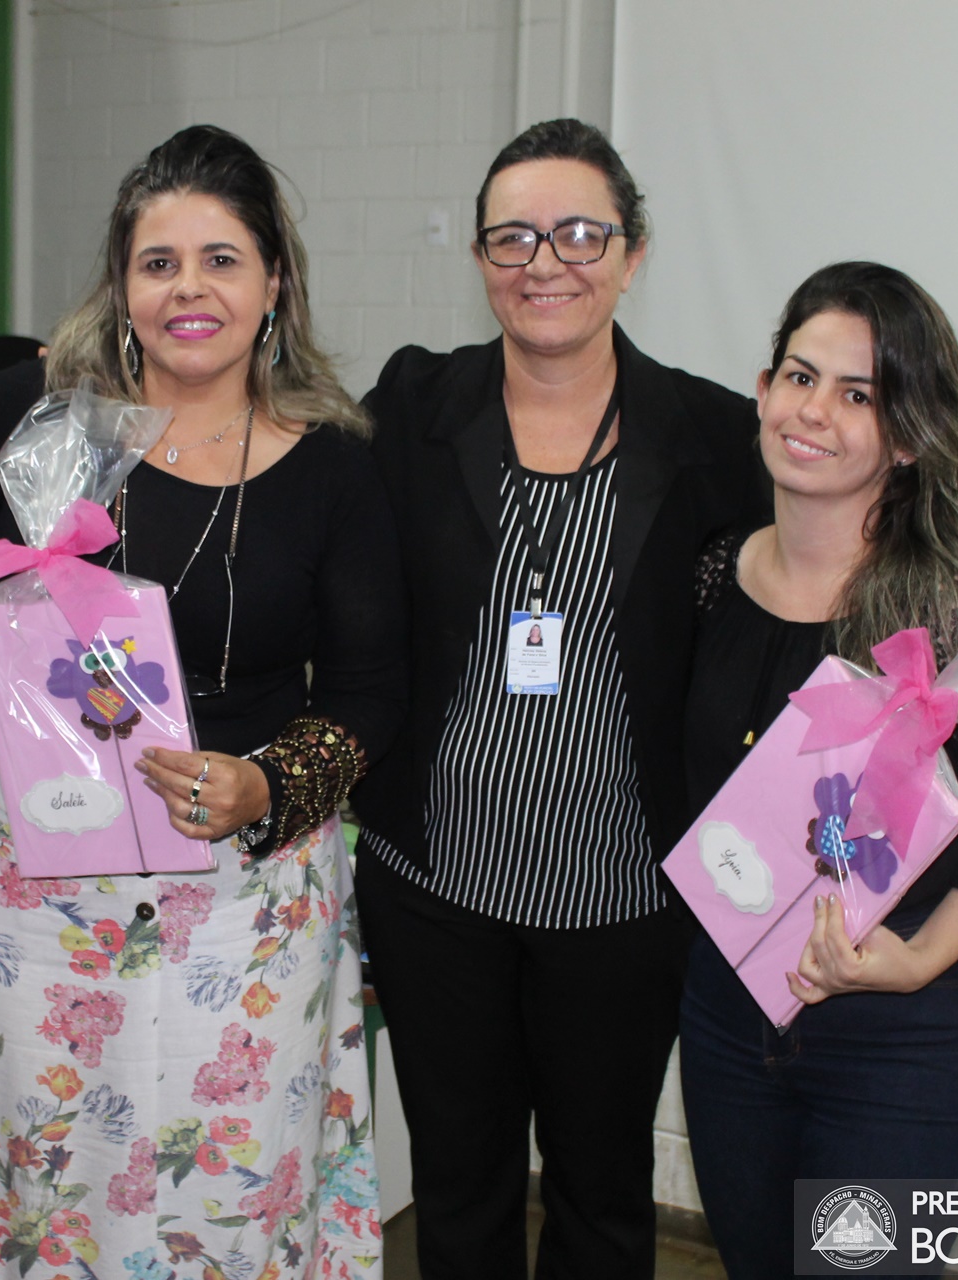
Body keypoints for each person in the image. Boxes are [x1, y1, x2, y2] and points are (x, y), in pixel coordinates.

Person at [0, 124, 401, 1277]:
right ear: (121, 286)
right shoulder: (37, 424)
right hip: (36, 898)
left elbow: (373, 689)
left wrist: (269, 783)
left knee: (223, 1192)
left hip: (244, 904)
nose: (189, 289)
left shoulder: (331, 464)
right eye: (158, 262)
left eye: (222, 259)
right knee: (40, 1182)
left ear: (275, 283)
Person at [350, 118, 770, 1279]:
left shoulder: (715, 437)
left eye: (582, 234)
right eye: (514, 237)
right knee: (459, 1187)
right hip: (438, 885)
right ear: (481, 257)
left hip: (626, 893)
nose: (546, 262)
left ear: (632, 254)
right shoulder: (412, 407)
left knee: (601, 1193)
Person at [677, 262, 958, 1278]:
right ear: (762, 391)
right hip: (729, 1023)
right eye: (800, 377)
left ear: (905, 438)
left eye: (859, 395)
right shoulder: (712, 576)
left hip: (901, 1039)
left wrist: (915, 958)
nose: (814, 411)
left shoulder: (950, 614)